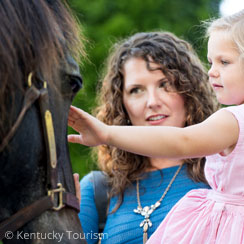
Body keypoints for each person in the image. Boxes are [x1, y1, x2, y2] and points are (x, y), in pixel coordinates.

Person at [69, 11, 244, 244]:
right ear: (121, 105)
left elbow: (183, 141)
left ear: (189, 92)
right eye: (136, 90)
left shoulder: (222, 175)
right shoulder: (98, 190)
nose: (152, 101)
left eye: (165, 84)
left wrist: (106, 133)